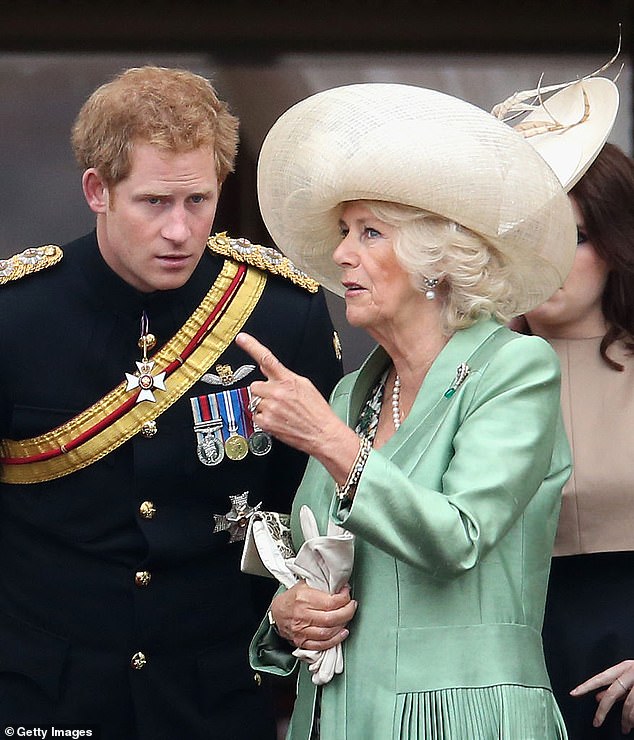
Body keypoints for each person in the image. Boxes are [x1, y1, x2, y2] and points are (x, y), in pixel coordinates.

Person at [0, 66, 342, 739]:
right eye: (155, 203)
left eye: (199, 201)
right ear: (98, 191)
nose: (181, 231)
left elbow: (311, 509)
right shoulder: (16, 317)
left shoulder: (279, 314)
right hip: (46, 696)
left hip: (212, 694)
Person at [235, 82, 578, 739]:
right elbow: (310, 563)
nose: (341, 255)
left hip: (464, 718)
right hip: (334, 716)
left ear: (434, 262)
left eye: (369, 232)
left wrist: (329, 441)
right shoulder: (349, 397)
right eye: (343, 231)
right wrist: (288, 611)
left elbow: (459, 536)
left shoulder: (514, 372)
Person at [516, 142, 634, 738]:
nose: (550, 260)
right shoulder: (457, 379)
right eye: (530, 236)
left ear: (617, 246)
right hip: (510, 663)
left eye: (578, 237)